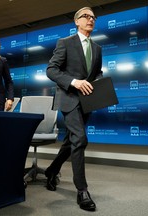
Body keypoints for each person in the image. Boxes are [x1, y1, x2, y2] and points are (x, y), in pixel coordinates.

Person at [45, 7, 103, 211]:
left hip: (87, 101)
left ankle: (51, 170)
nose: (91, 19)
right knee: (80, 139)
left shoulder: (97, 48)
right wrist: (73, 82)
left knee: (70, 141)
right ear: (76, 21)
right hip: (69, 98)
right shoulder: (65, 43)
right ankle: (82, 191)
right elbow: (51, 70)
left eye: (93, 17)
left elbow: (97, 73)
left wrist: (100, 83)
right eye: (86, 16)